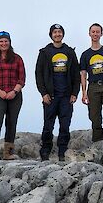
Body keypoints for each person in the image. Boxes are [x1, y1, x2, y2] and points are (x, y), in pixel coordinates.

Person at [35, 24, 80, 162]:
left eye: (59, 32)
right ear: (51, 35)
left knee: (65, 126)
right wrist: (43, 93)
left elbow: (76, 75)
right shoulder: (44, 52)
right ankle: (45, 153)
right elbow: (39, 74)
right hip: (50, 97)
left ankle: (62, 152)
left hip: (66, 96)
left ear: (63, 34)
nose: (57, 34)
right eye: (55, 32)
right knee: (48, 126)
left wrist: (74, 93)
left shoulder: (69, 52)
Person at [0, 31, 26, 161]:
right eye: (1, 41)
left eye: (6, 41)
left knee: (11, 122)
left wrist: (14, 91)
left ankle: (8, 152)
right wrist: (0, 92)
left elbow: (22, 78)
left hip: (15, 95)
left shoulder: (17, 58)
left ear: (9, 42)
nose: (3, 43)